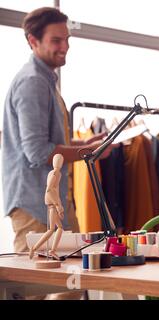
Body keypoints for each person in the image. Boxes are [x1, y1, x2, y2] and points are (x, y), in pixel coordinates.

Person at [2, 7, 113, 255]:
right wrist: (88, 151)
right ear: (33, 41)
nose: (65, 46)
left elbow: (46, 141)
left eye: (67, 39)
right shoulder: (33, 82)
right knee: (37, 289)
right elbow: (38, 152)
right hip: (35, 205)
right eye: (56, 40)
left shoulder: (45, 80)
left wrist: (84, 143)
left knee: (71, 280)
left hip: (50, 202)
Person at [29, 154, 65, 260]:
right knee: (51, 230)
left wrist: (59, 205)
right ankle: (34, 248)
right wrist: (57, 205)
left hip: (54, 203)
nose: (59, 163)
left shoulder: (54, 173)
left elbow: (54, 190)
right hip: (52, 204)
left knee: (59, 228)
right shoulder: (55, 173)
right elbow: (49, 190)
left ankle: (52, 250)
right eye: (58, 160)